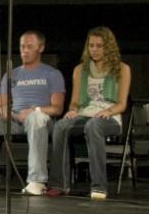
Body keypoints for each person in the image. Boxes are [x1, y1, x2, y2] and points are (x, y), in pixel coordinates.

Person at [0, 31, 66, 194]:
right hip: (14, 119)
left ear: (41, 48)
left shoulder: (52, 74)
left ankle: (37, 180)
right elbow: (1, 104)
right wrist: (5, 110)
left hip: (41, 120)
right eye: (22, 46)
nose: (24, 50)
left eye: (29, 47)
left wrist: (34, 110)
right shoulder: (12, 74)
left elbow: (57, 108)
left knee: (36, 118)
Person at [50, 27, 131, 200]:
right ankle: (59, 184)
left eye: (99, 46)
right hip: (85, 114)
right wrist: (72, 111)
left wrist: (107, 111)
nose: (94, 49)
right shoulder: (80, 69)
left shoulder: (122, 69)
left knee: (93, 125)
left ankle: (99, 187)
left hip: (110, 117)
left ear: (108, 47)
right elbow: (75, 102)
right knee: (61, 125)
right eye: (91, 45)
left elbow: (122, 104)